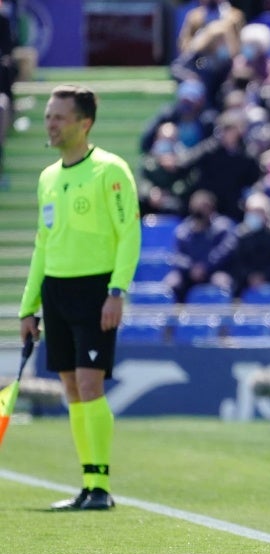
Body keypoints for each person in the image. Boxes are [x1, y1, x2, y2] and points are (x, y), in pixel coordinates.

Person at [18, 85, 141, 511]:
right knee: (71, 388)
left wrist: (116, 291)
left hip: (95, 291)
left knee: (90, 385)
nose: (49, 123)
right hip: (56, 288)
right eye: (48, 115)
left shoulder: (110, 170)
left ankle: (101, 486)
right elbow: (41, 243)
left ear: (83, 123)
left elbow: (129, 234)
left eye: (58, 116)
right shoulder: (47, 177)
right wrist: (28, 306)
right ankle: (88, 482)